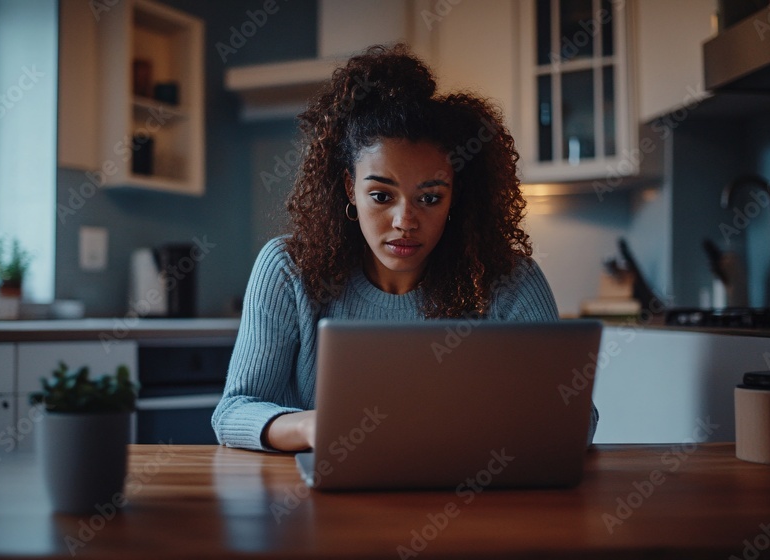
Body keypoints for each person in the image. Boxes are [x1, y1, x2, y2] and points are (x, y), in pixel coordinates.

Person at [212, 43, 598, 451]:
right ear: (349, 188)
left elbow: (576, 419)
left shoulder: (509, 281)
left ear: (455, 196)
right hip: (326, 502)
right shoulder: (290, 269)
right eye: (381, 196)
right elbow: (234, 411)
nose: (405, 221)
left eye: (430, 198)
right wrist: (313, 428)